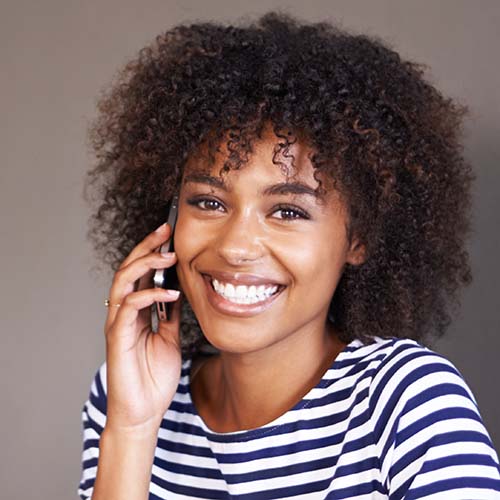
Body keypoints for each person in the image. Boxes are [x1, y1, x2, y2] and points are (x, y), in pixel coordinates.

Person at [78, 10, 500, 500]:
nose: (235, 246)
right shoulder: (124, 393)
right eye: (209, 202)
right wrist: (132, 428)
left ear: (358, 239)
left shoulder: (407, 401)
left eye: (287, 211)